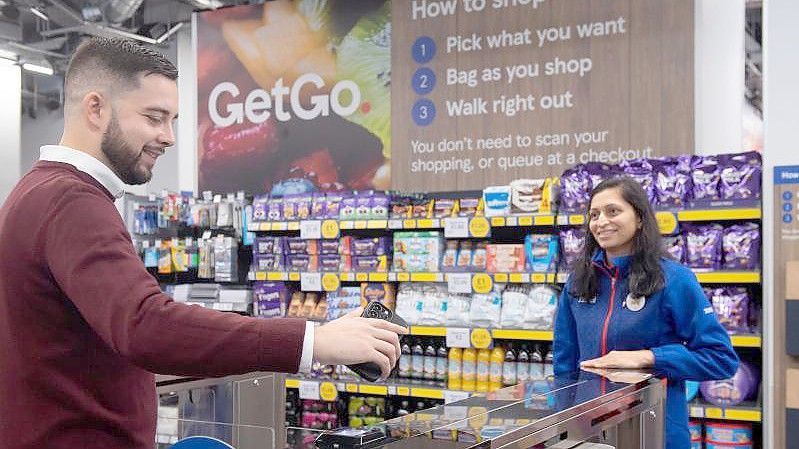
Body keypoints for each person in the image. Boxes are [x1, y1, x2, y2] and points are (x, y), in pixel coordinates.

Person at [0, 38, 406, 449]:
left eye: (173, 119)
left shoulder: (37, 191)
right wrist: (316, 341)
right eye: (154, 117)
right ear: (96, 108)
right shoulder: (72, 200)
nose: (170, 137)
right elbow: (144, 325)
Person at [553, 176, 739, 449]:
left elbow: (720, 358)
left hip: (656, 432)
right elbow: (565, 362)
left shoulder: (674, 279)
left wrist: (648, 358)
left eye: (613, 211)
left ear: (639, 218)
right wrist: (564, 426)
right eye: (594, 214)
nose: (601, 221)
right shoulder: (578, 281)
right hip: (591, 435)